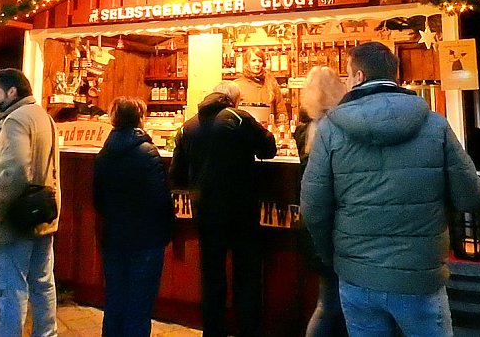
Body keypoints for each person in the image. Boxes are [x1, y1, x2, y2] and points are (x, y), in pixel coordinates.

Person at [301, 42, 480, 337]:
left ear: (359, 76)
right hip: (419, 275)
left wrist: (335, 256)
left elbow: (313, 208)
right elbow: (472, 196)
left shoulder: (331, 130)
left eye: (348, 75)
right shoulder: (436, 125)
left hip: (357, 274)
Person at [169, 81, 277, 337]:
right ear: (233, 100)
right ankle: (248, 330)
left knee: (211, 275)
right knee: (247, 274)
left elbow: (177, 174)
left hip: (205, 211)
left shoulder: (188, 126)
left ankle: (213, 330)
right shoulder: (239, 118)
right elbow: (269, 150)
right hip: (241, 209)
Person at [0, 68, 61, 337]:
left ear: (12, 92)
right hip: (41, 213)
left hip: (16, 215)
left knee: (10, 290)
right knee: (43, 284)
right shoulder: (43, 117)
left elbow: (15, 171)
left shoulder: (15, 121)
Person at [92, 97, 174, 336]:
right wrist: (166, 233)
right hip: (145, 240)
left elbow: (98, 200)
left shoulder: (104, 154)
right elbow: (160, 200)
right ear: (140, 118)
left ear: (113, 119)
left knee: (115, 301)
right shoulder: (147, 153)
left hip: (114, 238)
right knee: (139, 306)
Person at [293, 66, 348, 337]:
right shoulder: (341, 127)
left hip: (312, 221)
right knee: (334, 302)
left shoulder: (305, 130)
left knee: (327, 301)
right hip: (338, 223)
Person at [233, 48, 286, 118]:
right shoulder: (237, 85)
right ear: (246, 63)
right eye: (253, 61)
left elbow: (281, 112)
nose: (257, 64)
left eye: (260, 61)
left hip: (267, 128)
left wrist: (282, 126)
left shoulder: (271, 83)